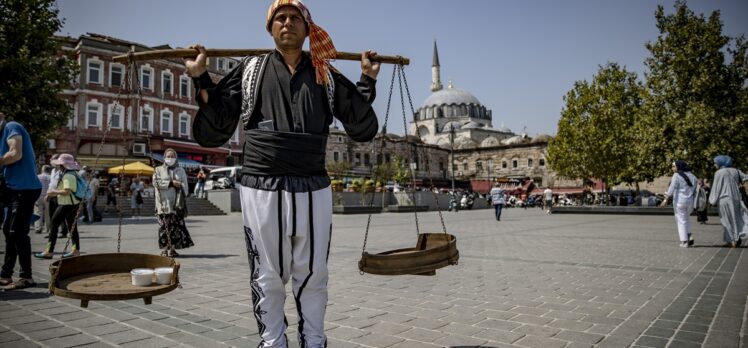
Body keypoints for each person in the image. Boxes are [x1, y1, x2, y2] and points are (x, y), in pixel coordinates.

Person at [185, 1, 379, 345]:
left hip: (313, 185)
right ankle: (273, 342)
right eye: (280, 18)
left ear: (307, 29)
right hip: (261, 185)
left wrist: (367, 78)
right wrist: (200, 75)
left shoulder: (325, 74)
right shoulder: (250, 70)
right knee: (267, 275)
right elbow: (217, 121)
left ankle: (314, 341)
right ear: (270, 28)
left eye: (295, 18)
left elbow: (359, 122)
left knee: (314, 274)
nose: (287, 23)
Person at [0, 113, 42, 290]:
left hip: (25, 188)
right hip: (15, 189)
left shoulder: (12, 126)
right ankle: (6, 275)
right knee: (8, 230)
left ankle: (26, 276)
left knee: (17, 232)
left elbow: (15, 154)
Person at [35, 154, 83, 259]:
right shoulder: (72, 173)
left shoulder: (68, 175)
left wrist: (53, 192)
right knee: (72, 227)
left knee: (54, 224)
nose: (58, 166)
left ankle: (49, 251)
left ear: (63, 165)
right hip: (72, 203)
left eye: (60, 164)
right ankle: (75, 250)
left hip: (67, 204)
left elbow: (67, 191)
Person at [153, 149, 193, 257]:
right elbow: (156, 183)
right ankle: (165, 249)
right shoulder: (158, 169)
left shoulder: (181, 170)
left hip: (176, 204)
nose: (170, 158)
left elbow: (186, 187)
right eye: (168, 156)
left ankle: (173, 249)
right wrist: (171, 183)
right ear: (164, 157)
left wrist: (180, 186)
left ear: (176, 157)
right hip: (163, 204)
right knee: (164, 227)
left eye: (172, 156)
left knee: (175, 228)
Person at [708, 155, 748, 247]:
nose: (715, 165)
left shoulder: (719, 173)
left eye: (716, 163)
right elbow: (745, 177)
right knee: (736, 218)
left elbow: (716, 188)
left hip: (724, 198)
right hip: (736, 198)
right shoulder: (736, 171)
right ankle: (737, 237)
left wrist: (711, 200)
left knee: (726, 220)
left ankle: (732, 240)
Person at [660, 160, 698, 247]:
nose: (672, 168)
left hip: (680, 201)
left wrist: (665, 200)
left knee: (681, 220)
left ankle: (684, 241)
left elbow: (671, 188)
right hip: (690, 202)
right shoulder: (693, 176)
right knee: (686, 219)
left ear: (679, 166)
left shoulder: (676, 175)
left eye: (674, 166)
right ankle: (689, 237)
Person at [33, 165, 52, 233]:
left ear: (42, 170)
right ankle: (48, 228)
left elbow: (34, 186)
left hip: (38, 196)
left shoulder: (38, 176)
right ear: (49, 170)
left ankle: (38, 228)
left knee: (38, 212)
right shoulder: (50, 177)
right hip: (48, 196)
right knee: (48, 213)